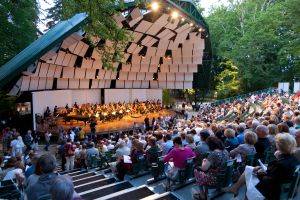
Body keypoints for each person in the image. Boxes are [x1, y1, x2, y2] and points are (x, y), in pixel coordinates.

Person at [223, 133, 299, 200]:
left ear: (279, 146)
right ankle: (235, 188)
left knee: (249, 172)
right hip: (281, 186)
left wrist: (259, 173)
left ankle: (236, 189)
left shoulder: (279, 163)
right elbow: (276, 173)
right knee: (249, 169)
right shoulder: (294, 159)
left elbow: (268, 180)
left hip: (272, 191)